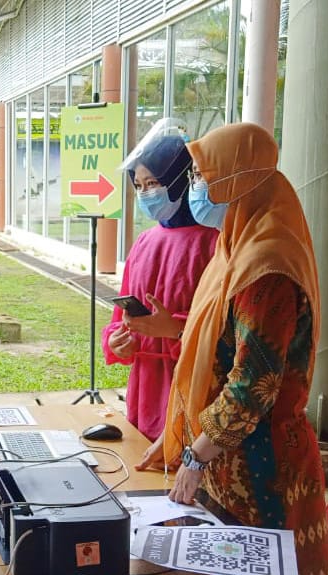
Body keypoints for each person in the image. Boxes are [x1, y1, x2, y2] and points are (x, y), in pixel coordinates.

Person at [136, 123, 328, 575]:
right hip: (223, 461)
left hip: (263, 469)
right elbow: (212, 349)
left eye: (207, 177)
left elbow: (253, 386)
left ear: (240, 179)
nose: (197, 189)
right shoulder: (237, 245)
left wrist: (194, 454)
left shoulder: (266, 266)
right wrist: (180, 430)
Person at [103, 128, 218, 440]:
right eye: (139, 186)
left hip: (191, 386)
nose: (146, 193)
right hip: (145, 386)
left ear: (180, 179)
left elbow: (223, 327)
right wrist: (118, 341)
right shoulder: (144, 241)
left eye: (153, 183)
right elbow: (122, 318)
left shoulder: (214, 244)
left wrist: (173, 329)